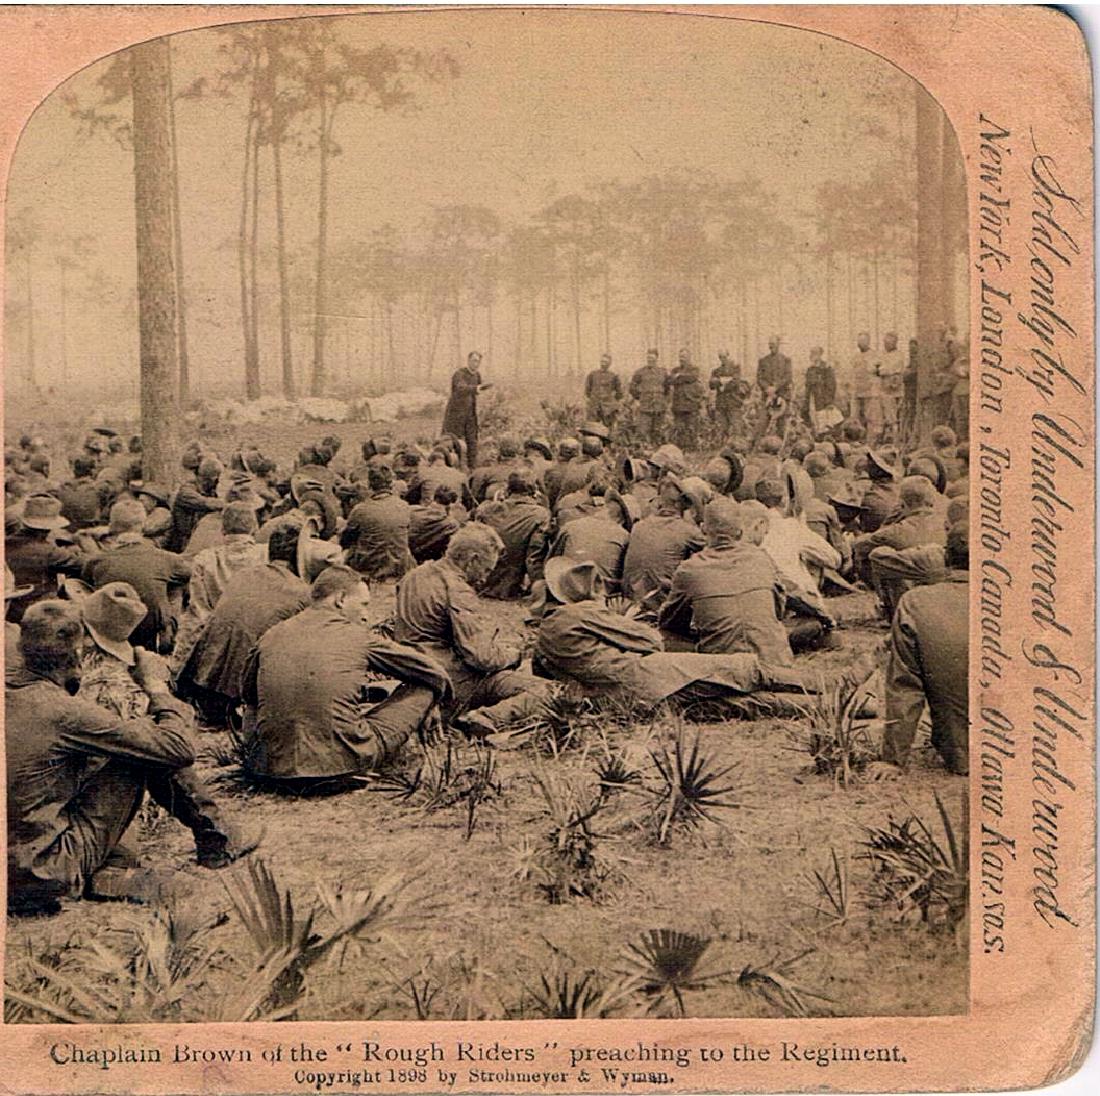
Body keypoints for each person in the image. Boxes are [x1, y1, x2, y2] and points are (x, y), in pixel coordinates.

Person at [6, 600, 255, 913]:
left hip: (10, 867)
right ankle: (216, 838)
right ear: (77, 654)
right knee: (142, 748)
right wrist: (157, 688)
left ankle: (105, 867)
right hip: (42, 872)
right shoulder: (66, 712)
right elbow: (178, 748)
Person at [242, 566, 451, 794]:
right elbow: (434, 672)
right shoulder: (359, 636)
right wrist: (432, 704)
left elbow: (248, 695)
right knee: (425, 688)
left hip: (269, 773)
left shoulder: (272, 634)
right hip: (342, 769)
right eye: (363, 604)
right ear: (340, 600)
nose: (366, 615)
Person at [535, 558, 824, 709]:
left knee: (735, 703)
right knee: (741, 668)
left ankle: (827, 705)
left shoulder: (548, 629)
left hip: (618, 699)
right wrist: (617, 619)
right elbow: (651, 641)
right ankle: (831, 686)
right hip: (643, 678)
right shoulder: (582, 613)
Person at [394, 523, 549, 738]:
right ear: (472, 560)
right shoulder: (457, 590)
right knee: (547, 691)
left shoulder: (414, 576)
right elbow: (481, 658)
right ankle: (486, 717)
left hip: (413, 675)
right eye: (486, 569)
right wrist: (514, 655)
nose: (485, 578)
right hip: (452, 684)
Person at [175, 520, 310, 726]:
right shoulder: (301, 592)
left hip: (201, 686)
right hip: (243, 699)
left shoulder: (243, 576)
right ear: (299, 557)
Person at [869, 523, 969, 779]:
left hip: (964, 753)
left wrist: (893, 760)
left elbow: (904, 687)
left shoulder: (916, 602)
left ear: (945, 556)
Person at [659, 499, 793, 664]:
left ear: (702, 530)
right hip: (774, 662)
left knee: (664, 640)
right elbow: (778, 609)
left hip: (726, 669)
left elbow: (670, 623)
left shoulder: (690, 569)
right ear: (740, 531)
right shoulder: (761, 558)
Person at [82, 498, 192, 653]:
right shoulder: (165, 558)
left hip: (110, 632)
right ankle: (168, 639)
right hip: (148, 634)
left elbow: (85, 581)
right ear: (143, 525)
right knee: (176, 585)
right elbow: (188, 573)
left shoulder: (96, 560)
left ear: (112, 526)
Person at [171, 502, 269, 674]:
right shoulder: (266, 556)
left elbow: (199, 611)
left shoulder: (205, 559)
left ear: (223, 530)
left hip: (215, 644)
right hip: (255, 642)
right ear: (255, 528)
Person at [620, 476, 704, 607]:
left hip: (629, 602)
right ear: (680, 505)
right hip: (660, 606)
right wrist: (697, 521)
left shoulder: (639, 526)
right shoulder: (687, 531)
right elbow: (718, 549)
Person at [852, 475, 946, 584]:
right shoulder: (946, 526)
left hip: (908, 588)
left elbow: (859, 545)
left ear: (901, 503)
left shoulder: (896, 532)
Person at [4, 495, 85, 622]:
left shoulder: (5, 543)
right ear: (49, 528)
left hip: (7, 610)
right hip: (37, 613)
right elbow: (83, 564)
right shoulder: (49, 552)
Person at [473, 470, 551, 600]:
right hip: (510, 585)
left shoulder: (484, 509)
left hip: (482, 580)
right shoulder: (540, 515)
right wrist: (537, 588)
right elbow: (534, 557)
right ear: (534, 490)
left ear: (508, 488)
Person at [340, 464, 414, 582]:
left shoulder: (361, 509)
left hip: (369, 568)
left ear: (370, 485)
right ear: (391, 484)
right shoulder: (404, 506)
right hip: (399, 567)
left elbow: (345, 541)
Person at [441, 351, 490, 468]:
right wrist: (476, 388)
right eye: (474, 360)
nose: (476, 364)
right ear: (468, 361)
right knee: (453, 440)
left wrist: (481, 389)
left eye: (478, 361)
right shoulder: (459, 374)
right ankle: (450, 467)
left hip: (470, 414)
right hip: (456, 414)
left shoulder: (477, 375)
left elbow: (476, 391)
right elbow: (460, 388)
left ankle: (472, 469)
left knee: (472, 441)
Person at [166, 456, 224, 553]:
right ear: (210, 479)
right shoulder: (186, 491)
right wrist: (228, 504)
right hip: (182, 543)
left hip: (198, 537)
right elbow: (206, 503)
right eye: (216, 478)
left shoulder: (210, 490)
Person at [409, 484, 464, 563]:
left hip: (409, 558)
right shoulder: (451, 525)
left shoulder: (412, 510)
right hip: (431, 562)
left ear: (433, 498)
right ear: (451, 505)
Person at [665, 348, 706, 451]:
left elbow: (692, 377)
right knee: (679, 427)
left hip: (691, 402)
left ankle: (692, 448)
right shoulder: (675, 370)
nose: (682, 359)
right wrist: (679, 377)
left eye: (684, 356)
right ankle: (681, 448)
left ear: (689, 357)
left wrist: (679, 377)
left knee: (691, 426)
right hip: (678, 403)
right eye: (680, 356)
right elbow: (670, 380)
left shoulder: (694, 369)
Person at [629, 348, 668, 444]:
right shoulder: (640, 372)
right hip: (645, 406)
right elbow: (632, 386)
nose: (650, 360)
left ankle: (656, 450)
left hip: (659, 406)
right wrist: (638, 397)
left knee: (658, 431)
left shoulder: (663, 372)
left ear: (656, 358)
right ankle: (643, 450)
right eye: (649, 358)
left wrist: (663, 399)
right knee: (643, 430)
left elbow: (667, 387)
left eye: (652, 358)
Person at [873, 331, 905, 442]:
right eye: (885, 342)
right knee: (881, 415)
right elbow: (874, 368)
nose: (886, 345)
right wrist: (880, 369)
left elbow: (889, 369)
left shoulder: (899, 355)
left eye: (889, 342)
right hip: (882, 388)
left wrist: (881, 369)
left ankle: (896, 439)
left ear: (895, 343)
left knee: (893, 417)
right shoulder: (882, 354)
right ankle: (882, 438)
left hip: (893, 389)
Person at [57, 456, 104, 531]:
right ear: (91, 471)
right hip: (88, 528)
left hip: (65, 527)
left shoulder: (63, 486)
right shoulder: (96, 488)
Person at [709, 350, 749, 438]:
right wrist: (725, 380)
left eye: (724, 357)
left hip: (733, 401)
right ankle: (724, 448)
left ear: (728, 355)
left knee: (736, 427)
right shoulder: (716, 371)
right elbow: (711, 385)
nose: (723, 359)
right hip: (721, 403)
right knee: (722, 428)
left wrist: (721, 384)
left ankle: (738, 446)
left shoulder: (735, 368)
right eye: (720, 357)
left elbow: (735, 382)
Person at [803, 347, 839, 434]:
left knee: (825, 423)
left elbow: (832, 385)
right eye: (812, 353)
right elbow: (807, 386)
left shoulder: (826, 368)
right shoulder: (810, 369)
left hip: (823, 400)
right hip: (812, 399)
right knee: (814, 421)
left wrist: (829, 401)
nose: (813, 356)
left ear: (820, 355)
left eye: (815, 354)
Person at [585, 353, 623, 430]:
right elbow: (587, 390)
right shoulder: (593, 374)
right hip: (594, 406)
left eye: (606, 362)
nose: (603, 364)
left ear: (609, 364)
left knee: (608, 428)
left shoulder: (614, 376)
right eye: (602, 362)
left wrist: (612, 402)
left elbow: (619, 393)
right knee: (592, 427)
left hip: (607, 407)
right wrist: (592, 399)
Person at [848, 332, 874, 428]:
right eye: (859, 341)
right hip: (857, 389)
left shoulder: (873, 355)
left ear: (868, 342)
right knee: (854, 415)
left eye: (863, 341)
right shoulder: (855, 356)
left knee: (869, 415)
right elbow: (852, 373)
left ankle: (869, 437)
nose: (860, 343)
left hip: (869, 390)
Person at [756, 336, 793, 403]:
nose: (771, 346)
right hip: (767, 397)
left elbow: (788, 377)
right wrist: (767, 387)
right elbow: (759, 378)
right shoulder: (763, 361)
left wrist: (776, 387)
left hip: (783, 396)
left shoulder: (786, 360)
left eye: (773, 344)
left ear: (778, 344)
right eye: (770, 344)